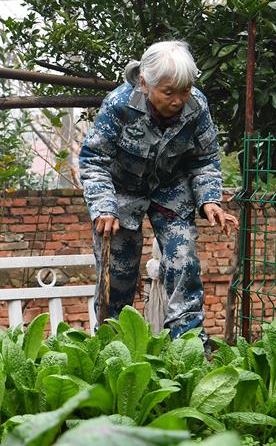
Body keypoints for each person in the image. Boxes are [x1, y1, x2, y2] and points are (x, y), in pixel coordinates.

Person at [79, 40, 238, 343]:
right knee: (118, 277)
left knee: (184, 262)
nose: (178, 100)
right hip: (121, 192)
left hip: (170, 189)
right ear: (144, 83)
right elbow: (93, 159)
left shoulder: (197, 107)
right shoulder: (119, 105)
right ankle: (112, 348)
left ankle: (188, 347)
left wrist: (209, 201)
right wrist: (103, 207)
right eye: (169, 92)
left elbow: (204, 159)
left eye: (185, 90)